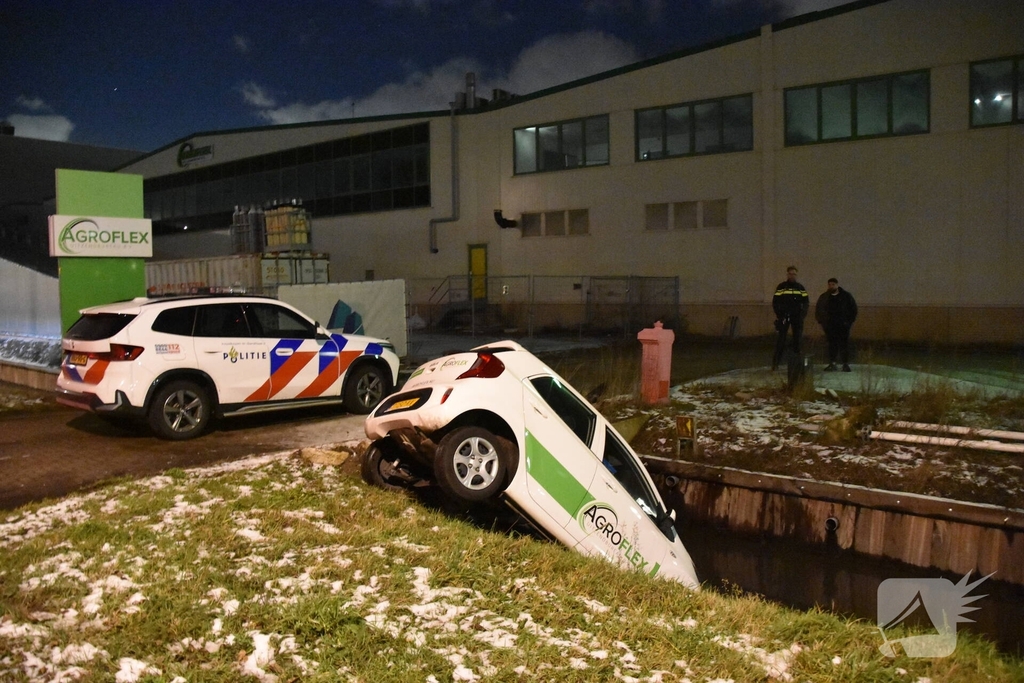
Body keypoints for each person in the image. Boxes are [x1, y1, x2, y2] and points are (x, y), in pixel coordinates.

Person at [815, 277, 858, 371]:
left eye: (833, 284)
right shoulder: (825, 297)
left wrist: (849, 322)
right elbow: (819, 309)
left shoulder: (846, 296)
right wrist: (822, 322)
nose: (831, 286)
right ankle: (832, 363)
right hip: (830, 326)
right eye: (829, 285)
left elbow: (853, 309)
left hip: (843, 325)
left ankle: (845, 364)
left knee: (844, 344)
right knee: (832, 345)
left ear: (837, 285)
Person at [772, 265, 809, 370]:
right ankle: (775, 364)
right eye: (790, 273)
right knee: (781, 340)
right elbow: (775, 302)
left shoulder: (800, 288)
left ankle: (797, 365)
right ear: (787, 274)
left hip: (797, 318)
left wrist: (802, 315)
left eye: (794, 274)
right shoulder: (781, 287)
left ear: (796, 275)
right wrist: (780, 315)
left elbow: (806, 302)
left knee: (797, 340)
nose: (792, 275)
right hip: (784, 316)